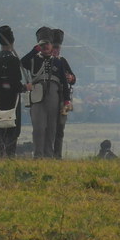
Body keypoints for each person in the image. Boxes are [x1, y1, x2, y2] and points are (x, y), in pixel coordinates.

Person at [22, 26, 68, 158]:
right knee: (38, 127)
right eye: (43, 44)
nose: (46, 46)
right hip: (37, 96)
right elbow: (22, 62)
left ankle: (48, 155)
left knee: (52, 128)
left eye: (48, 43)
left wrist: (66, 100)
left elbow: (64, 82)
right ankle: (38, 155)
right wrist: (35, 49)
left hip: (54, 97)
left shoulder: (58, 62)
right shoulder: (34, 59)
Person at [0, 25, 26, 158]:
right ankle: (10, 155)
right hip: (12, 100)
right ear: (12, 43)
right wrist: (25, 88)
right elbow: (15, 84)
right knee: (12, 129)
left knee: (1, 128)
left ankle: (2, 154)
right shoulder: (14, 60)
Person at [50, 29, 76, 159]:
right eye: (54, 48)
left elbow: (73, 78)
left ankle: (57, 155)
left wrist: (71, 78)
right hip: (49, 98)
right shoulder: (45, 60)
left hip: (62, 99)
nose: (56, 50)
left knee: (60, 129)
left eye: (57, 48)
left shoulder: (62, 61)